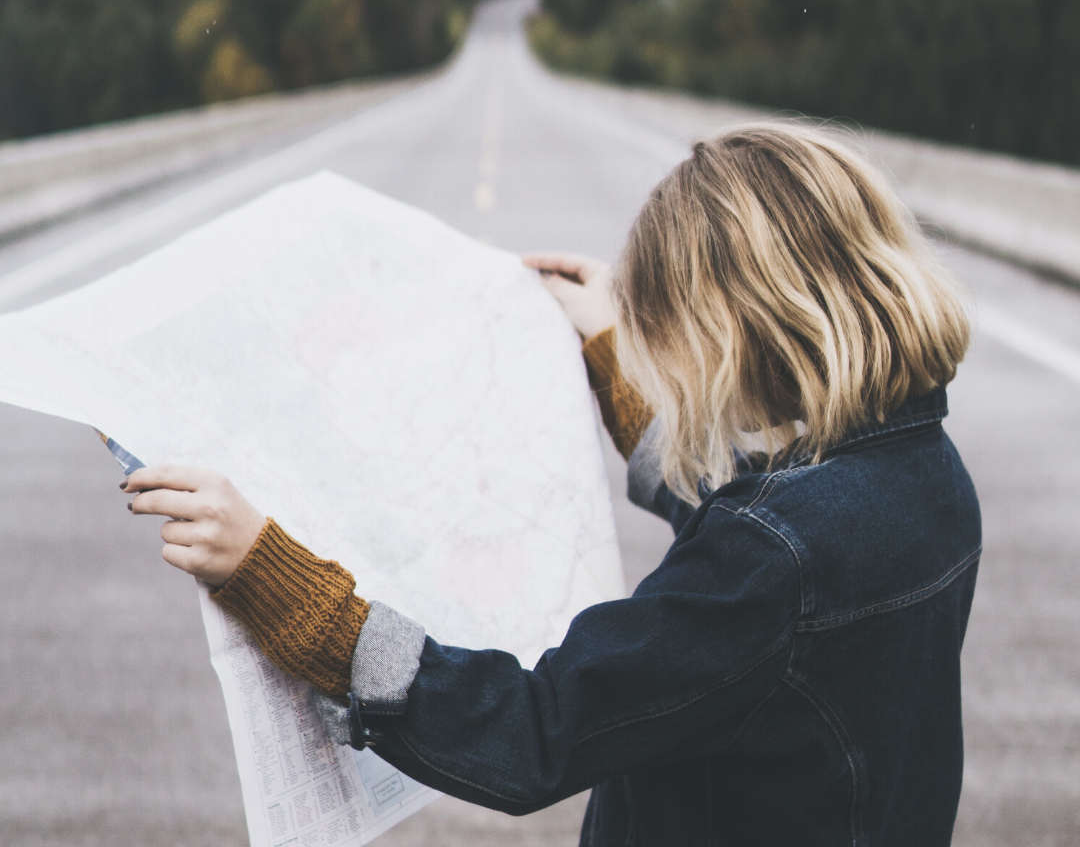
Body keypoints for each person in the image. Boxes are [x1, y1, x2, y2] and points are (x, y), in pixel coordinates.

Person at [122, 126, 981, 846]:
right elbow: (762, 562)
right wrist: (611, 359)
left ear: (741, 332)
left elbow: (534, 730)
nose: (677, 375)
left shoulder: (776, 559)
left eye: (676, 342)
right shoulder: (922, 475)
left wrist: (283, 588)